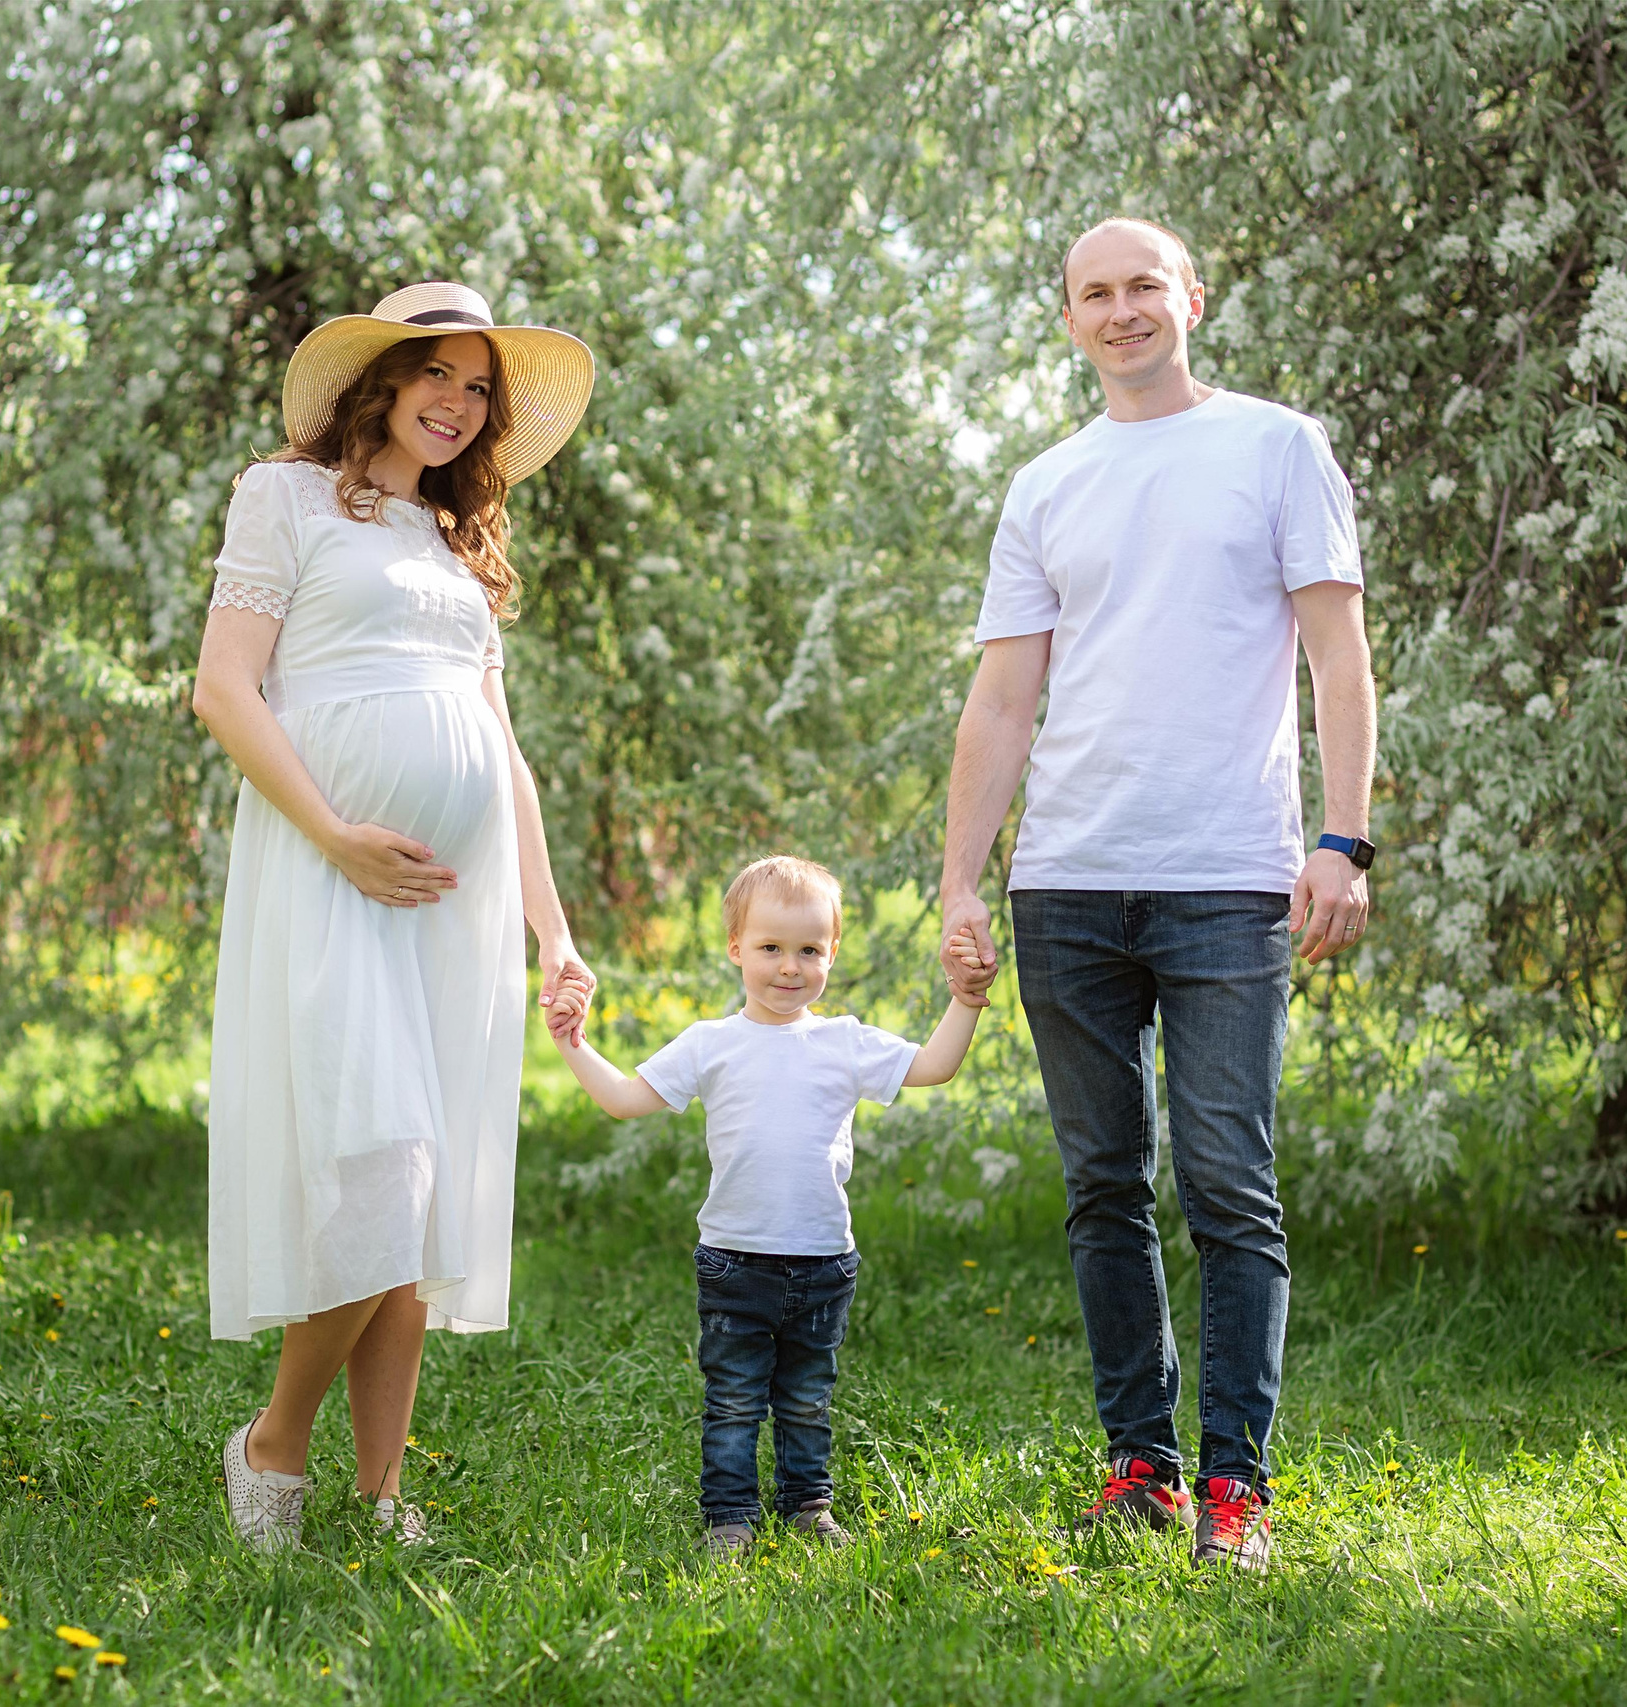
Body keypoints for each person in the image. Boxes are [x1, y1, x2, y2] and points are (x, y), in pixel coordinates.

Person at [937, 218, 1378, 1571]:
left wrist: (1342, 839)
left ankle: (1235, 1493)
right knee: (1101, 1190)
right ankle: (1141, 1467)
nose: (1122, 310)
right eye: (1094, 293)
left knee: (1230, 1184)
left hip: (1226, 877)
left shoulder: (1275, 445)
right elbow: (1004, 697)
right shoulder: (1048, 481)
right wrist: (962, 876)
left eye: (1143, 286)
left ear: (1188, 297)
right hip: (1066, 883)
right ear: (1069, 319)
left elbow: (1338, 658)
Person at [192, 281, 598, 1551]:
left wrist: (554, 929)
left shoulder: (451, 540)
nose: (457, 403)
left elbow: (499, 746)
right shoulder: (287, 499)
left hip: (453, 906)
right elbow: (223, 690)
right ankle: (270, 1442)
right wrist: (336, 835)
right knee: (383, 1169)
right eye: (438, 374)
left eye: (479, 389)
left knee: (422, 1207)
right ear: (380, 379)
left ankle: (378, 1497)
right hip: (328, 876)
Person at [546, 856, 997, 1557]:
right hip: (734, 1260)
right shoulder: (712, 1043)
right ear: (736, 949)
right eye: (770, 948)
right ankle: (729, 1514)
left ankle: (806, 1504)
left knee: (807, 1397)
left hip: (822, 1261)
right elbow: (623, 1099)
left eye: (809, 950)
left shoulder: (844, 1041)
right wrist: (572, 1042)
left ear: (832, 954)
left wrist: (966, 998)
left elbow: (935, 1066)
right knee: (733, 1397)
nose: (790, 967)